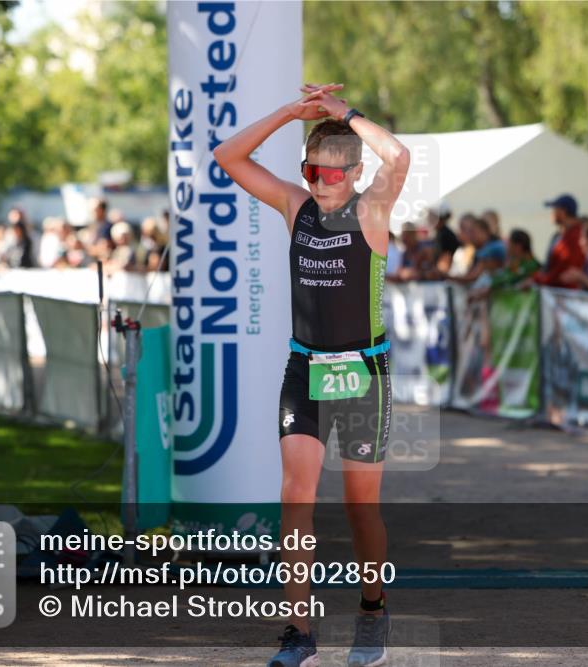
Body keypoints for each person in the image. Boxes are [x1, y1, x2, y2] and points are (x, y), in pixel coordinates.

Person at [213, 81, 409, 667]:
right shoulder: (294, 207)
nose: (318, 183)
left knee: (358, 508)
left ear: (351, 174)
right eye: (310, 171)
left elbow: (398, 157)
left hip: (363, 373)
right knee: (295, 498)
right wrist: (289, 113)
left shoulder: (372, 209)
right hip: (305, 368)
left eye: (330, 174)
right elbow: (228, 157)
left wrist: (345, 114)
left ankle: (372, 611)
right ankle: (299, 633)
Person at [528, 193, 584, 288]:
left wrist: (537, 280)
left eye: (554, 209)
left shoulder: (575, 237)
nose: (551, 213)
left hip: (565, 294)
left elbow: (562, 270)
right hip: (556, 291)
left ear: (563, 211)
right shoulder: (559, 235)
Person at [428, 202, 460, 275]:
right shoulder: (440, 233)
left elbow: (444, 266)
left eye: (432, 216)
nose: (429, 218)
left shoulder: (446, 235)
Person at [448, 213, 477, 277]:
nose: (459, 232)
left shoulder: (478, 253)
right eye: (460, 228)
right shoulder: (459, 250)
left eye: (463, 229)